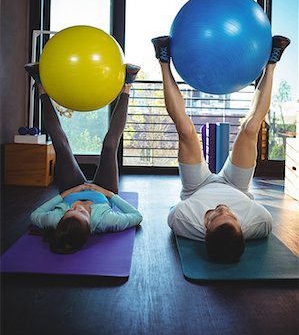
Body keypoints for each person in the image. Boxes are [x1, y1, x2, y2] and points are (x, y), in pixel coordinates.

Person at [152, 34, 291, 263]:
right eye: (232, 217)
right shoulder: (259, 224)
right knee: (251, 127)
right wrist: (232, 209)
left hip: (196, 188)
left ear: (205, 230)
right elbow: (260, 218)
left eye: (217, 215)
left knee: (186, 131)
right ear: (241, 228)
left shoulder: (184, 221)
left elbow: (173, 214)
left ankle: (163, 61)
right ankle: (272, 64)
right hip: (237, 186)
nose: (224, 209)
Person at [25, 62, 143, 254]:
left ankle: (40, 84)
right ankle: (128, 84)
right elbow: (136, 216)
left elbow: (35, 216)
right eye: (84, 214)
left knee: (61, 146)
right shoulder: (105, 222)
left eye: (72, 210)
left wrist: (66, 195)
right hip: (104, 192)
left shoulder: (54, 220)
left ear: (62, 218)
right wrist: (108, 194)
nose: (80, 207)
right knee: (110, 145)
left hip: (71, 188)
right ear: (91, 227)